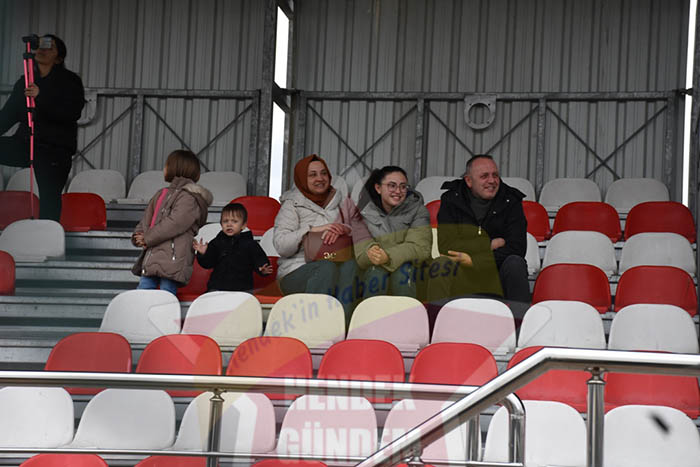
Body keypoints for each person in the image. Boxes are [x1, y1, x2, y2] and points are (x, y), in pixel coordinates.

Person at [273, 154, 370, 321]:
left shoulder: (342, 202)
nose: (320, 178)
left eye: (323, 173)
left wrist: (344, 229)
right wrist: (311, 230)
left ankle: (342, 325)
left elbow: (363, 235)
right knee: (326, 268)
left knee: (352, 266)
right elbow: (281, 245)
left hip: (337, 264)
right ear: (302, 178)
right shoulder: (292, 204)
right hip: (296, 271)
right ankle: (315, 326)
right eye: (312, 175)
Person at [0, 34, 85, 221]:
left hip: (54, 149)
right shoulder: (25, 81)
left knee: (49, 198)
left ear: (59, 58)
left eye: (50, 47)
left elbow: (71, 112)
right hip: (25, 142)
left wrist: (41, 96)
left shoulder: (69, 81)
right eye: (41, 45)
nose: (43, 50)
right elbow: (8, 115)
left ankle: (48, 234)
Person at [428, 154, 530, 305]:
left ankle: (521, 320)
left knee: (516, 263)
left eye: (495, 175)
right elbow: (446, 245)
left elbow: (517, 247)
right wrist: (488, 244)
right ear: (469, 181)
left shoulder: (511, 200)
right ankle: (435, 318)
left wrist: (475, 261)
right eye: (484, 176)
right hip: (461, 271)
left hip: (496, 271)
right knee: (441, 264)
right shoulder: (451, 199)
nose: (492, 181)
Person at [131, 150, 213, 295]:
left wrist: (147, 237)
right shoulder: (161, 193)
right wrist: (139, 235)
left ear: (176, 168)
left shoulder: (190, 198)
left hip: (174, 257)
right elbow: (148, 217)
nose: (164, 168)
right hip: (153, 254)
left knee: (167, 294)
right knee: (142, 294)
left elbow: (175, 223)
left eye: (166, 165)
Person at [355, 166, 432, 299]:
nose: (398, 191)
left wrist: (387, 256)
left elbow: (420, 247)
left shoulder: (419, 210)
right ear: (378, 188)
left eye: (403, 186)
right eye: (392, 186)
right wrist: (372, 252)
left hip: (414, 269)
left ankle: (408, 313)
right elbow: (361, 253)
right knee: (376, 273)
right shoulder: (362, 213)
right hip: (374, 270)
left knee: (403, 273)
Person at [193, 202, 273, 292]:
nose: (229, 224)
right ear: (221, 224)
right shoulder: (217, 242)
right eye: (225, 221)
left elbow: (260, 260)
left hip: (243, 289)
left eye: (234, 221)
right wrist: (204, 254)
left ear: (243, 225)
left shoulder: (250, 244)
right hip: (217, 288)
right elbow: (208, 264)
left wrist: (262, 269)